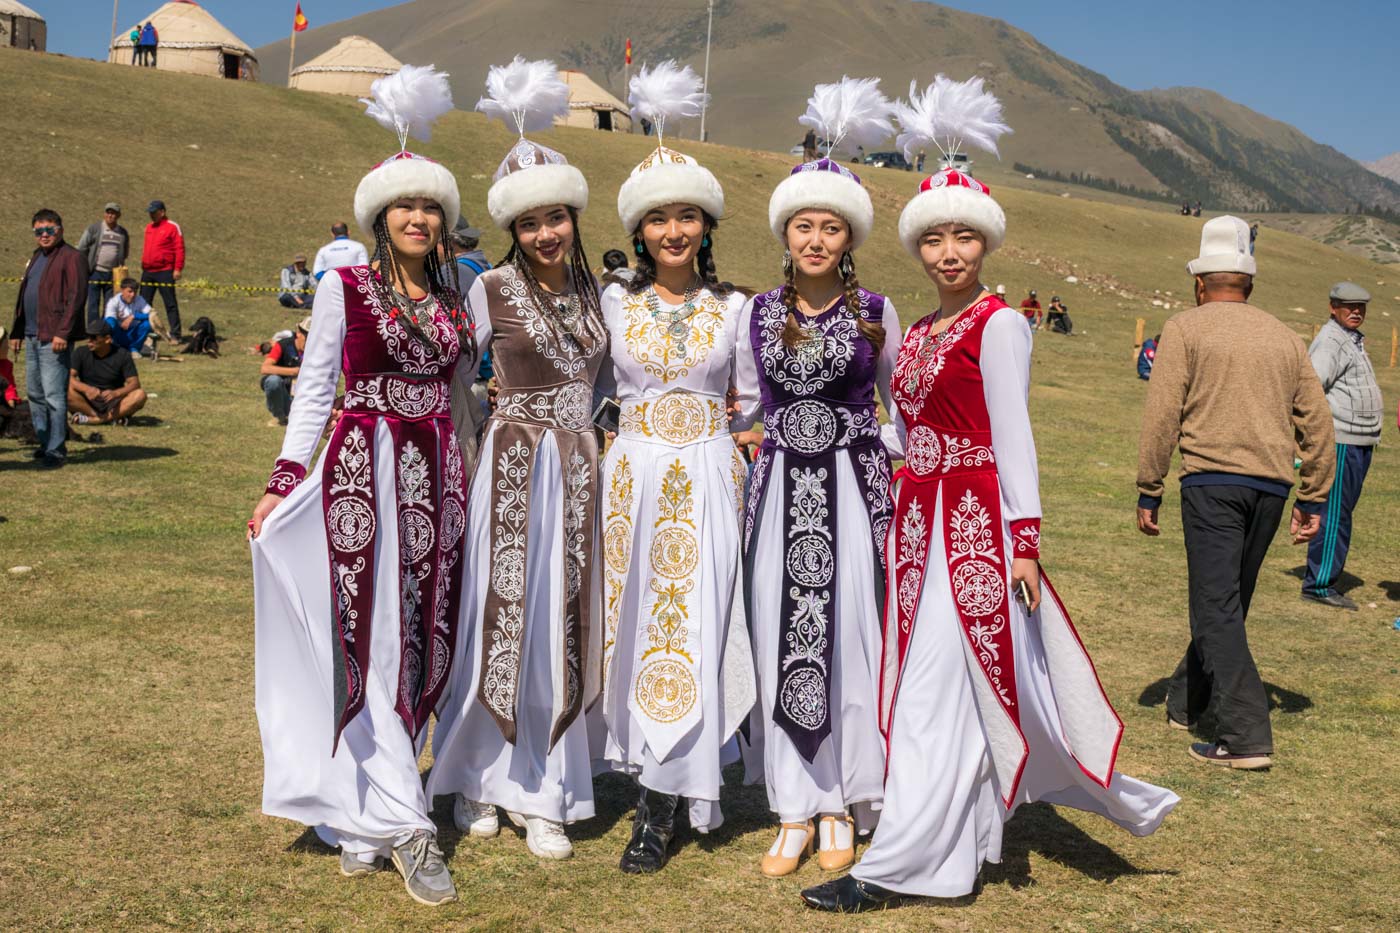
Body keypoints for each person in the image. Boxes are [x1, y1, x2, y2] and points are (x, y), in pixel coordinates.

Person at [804, 78, 1178, 913]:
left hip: (973, 525)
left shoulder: (999, 324)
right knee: (942, 683)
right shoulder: (924, 329)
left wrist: (1024, 539)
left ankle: (900, 863)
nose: (948, 253)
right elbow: (904, 425)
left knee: (939, 682)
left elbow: (1014, 436)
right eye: (933, 238)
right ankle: (965, 842)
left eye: (963, 238)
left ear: (985, 245)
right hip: (917, 521)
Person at [248, 65, 480, 907]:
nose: (418, 218)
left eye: (431, 207)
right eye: (404, 205)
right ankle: (409, 824)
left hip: (438, 472)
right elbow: (313, 389)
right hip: (361, 468)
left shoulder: (456, 295)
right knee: (370, 637)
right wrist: (283, 482)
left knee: (423, 637)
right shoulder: (344, 287)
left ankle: (357, 815)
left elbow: (463, 392)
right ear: (379, 213)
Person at [428, 58, 606, 864]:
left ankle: (546, 791)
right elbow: (451, 377)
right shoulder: (487, 289)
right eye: (529, 222)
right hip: (509, 463)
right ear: (512, 227)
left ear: (572, 216)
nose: (544, 233)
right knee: (497, 618)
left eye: (555, 219)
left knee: (558, 621)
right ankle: (474, 775)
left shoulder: (605, 293)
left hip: (577, 470)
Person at [732, 77, 903, 880]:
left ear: (848, 236)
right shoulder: (757, 310)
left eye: (831, 226)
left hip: (852, 490)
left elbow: (899, 404)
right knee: (780, 633)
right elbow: (741, 402)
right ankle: (793, 805)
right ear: (786, 230)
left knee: (849, 640)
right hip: (779, 494)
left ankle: (842, 798)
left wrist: (883, 458)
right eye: (804, 223)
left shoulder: (876, 310)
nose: (816, 238)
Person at [591, 61, 754, 875]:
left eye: (687, 216)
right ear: (640, 229)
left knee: (694, 626)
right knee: (635, 629)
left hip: (710, 476)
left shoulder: (738, 308)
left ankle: (665, 803)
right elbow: (585, 383)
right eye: (659, 219)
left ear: (706, 223)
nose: (673, 232)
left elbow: (752, 402)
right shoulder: (613, 302)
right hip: (632, 479)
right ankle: (643, 776)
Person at [1137, 215, 1335, 772]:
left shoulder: (1185, 329)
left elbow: (1161, 415)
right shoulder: (1284, 336)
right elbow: (1318, 425)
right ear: (1249, 283)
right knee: (1229, 600)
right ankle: (1187, 702)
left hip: (1211, 483)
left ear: (1200, 283)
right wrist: (1313, 497)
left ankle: (1245, 736)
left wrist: (1148, 487)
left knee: (1216, 605)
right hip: (1271, 488)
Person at [1302, 282, 1382, 610]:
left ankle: (1325, 577)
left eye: (1360, 307)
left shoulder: (1351, 340)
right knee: (1334, 513)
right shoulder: (1330, 342)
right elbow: (1311, 388)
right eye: (1348, 306)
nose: (1355, 312)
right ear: (1333, 306)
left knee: (1342, 511)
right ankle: (1319, 584)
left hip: (1359, 440)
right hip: (1341, 440)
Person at [12, 208, 88, 468]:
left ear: (60, 230)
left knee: (54, 395)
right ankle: (45, 443)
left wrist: (63, 333)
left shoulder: (72, 257)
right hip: (33, 335)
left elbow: (76, 298)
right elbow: (25, 297)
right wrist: (18, 331)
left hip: (54, 337)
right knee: (34, 393)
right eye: (39, 231)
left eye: (49, 230)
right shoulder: (36, 257)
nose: (44, 235)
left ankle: (56, 449)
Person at [67, 320, 147, 426]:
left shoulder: (122, 355)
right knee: (63, 388)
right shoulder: (81, 352)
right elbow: (69, 377)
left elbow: (135, 384)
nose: (89, 341)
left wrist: (116, 393)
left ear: (108, 339)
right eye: (88, 336)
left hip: (114, 402)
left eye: (94, 338)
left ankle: (97, 420)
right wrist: (86, 389)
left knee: (140, 395)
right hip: (87, 401)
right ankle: (100, 416)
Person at [76, 203, 130, 328]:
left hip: (113, 274)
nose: (110, 215)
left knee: (110, 304)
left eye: (113, 213)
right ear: (104, 214)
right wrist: (85, 265)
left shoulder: (122, 233)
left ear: (118, 215)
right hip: (95, 272)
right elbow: (81, 247)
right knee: (93, 303)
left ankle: (105, 329)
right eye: (108, 212)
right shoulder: (94, 229)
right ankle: (92, 329)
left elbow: (125, 252)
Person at [140, 199, 184, 339]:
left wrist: (177, 268)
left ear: (162, 212)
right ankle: (145, 331)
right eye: (150, 213)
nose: (151, 215)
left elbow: (179, 248)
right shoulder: (149, 228)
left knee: (170, 303)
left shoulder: (172, 227)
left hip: (165, 271)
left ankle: (176, 334)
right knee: (143, 303)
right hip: (148, 271)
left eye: (154, 212)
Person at [259, 316, 308, 426]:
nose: (310, 340)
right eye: (307, 336)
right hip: (285, 393)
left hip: (306, 396)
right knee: (272, 381)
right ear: (299, 333)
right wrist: (293, 371)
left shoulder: (318, 350)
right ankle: (280, 417)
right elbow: (265, 368)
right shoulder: (283, 345)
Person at [104, 277, 153, 356]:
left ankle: (134, 349)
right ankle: (113, 347)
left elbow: (152, 314)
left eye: (135, 292)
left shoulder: (139, 299)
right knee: (109, 323)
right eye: (129, 292)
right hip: (118, 333)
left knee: (147, 324)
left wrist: (133, 316)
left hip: (133, 333)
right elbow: (109, 321)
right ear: (122, 290)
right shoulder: (113, 302)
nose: (133, 295)